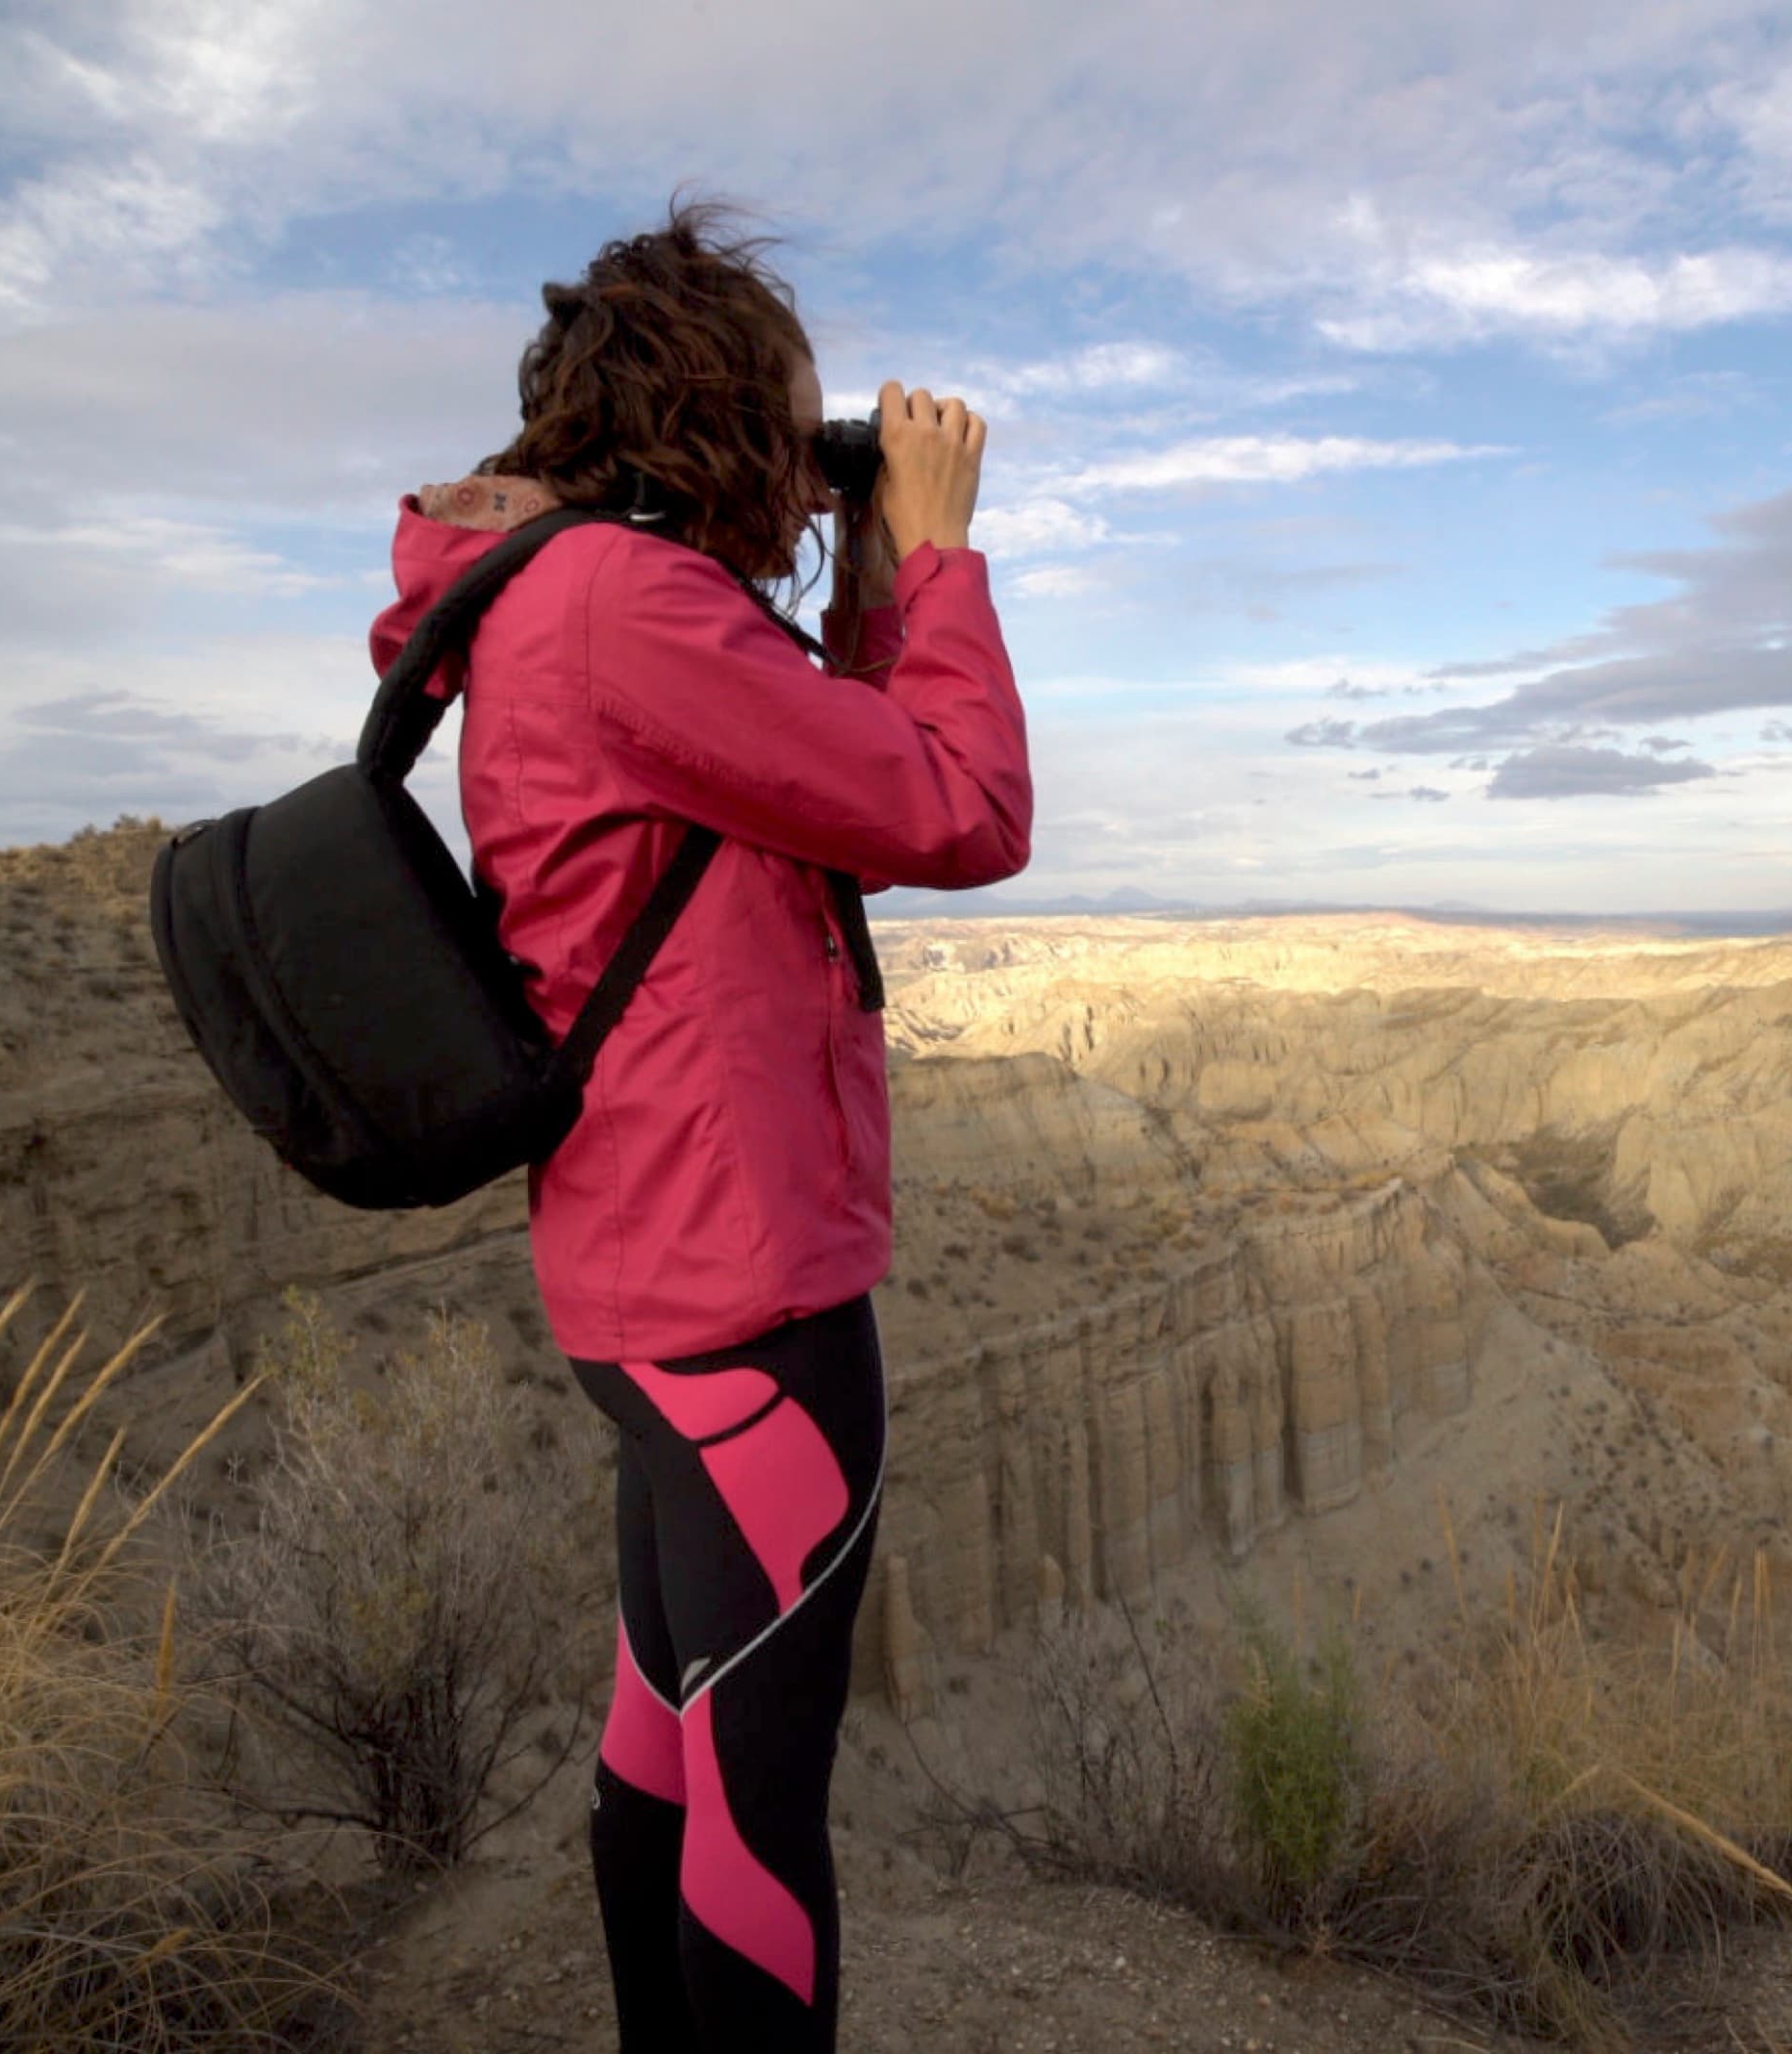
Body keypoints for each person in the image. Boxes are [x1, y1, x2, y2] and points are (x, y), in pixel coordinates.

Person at [368, 200, 1029, 2052]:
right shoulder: (635, 610)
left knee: (665, 1727)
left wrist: (855, 582)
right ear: (724, 416)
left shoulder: (559, 598)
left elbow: (819, 794)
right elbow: (960, 805)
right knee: (756, 1809)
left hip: (643, 1272)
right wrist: (938, 558)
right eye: (796, 429)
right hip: (750, 1299)